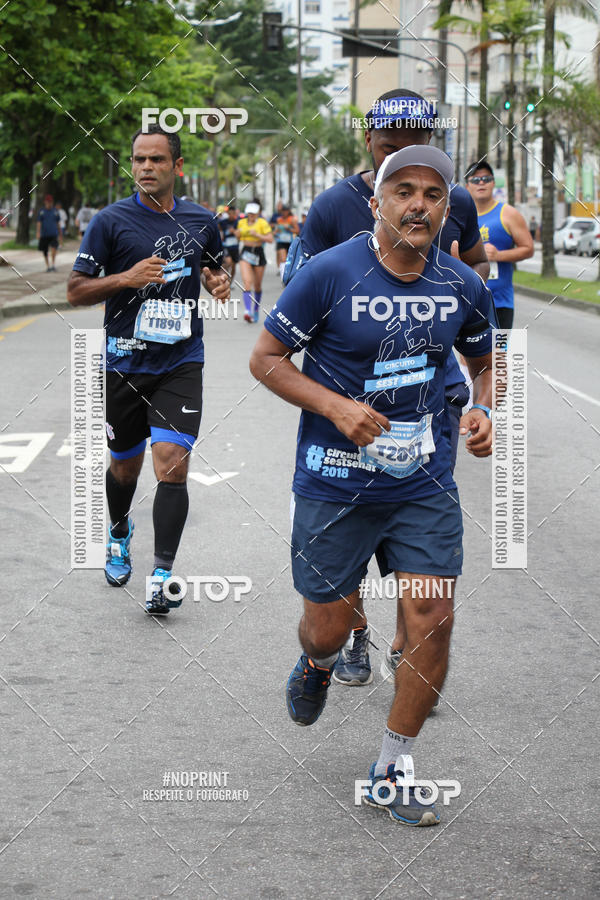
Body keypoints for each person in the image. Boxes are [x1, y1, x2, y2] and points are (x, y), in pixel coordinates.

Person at [250, 146, 494, 826]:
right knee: (327, 627)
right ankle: (319, 664)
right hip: (335, 483)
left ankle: (393, 765)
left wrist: (483, 408)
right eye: (404, 191)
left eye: (433, 195)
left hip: (424, 483)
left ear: (448, 209)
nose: (418, 205)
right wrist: (335, 406)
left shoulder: (461, 286)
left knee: (432, 619)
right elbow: (266, 360)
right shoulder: (330, 275)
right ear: (377, 201)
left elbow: (484, 361)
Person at [299, 89, 491, 689]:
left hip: (427, 415)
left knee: (428, 597)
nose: (417, 201)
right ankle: (349, 635)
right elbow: (301, 301)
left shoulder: (452, 199)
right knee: (343, 567)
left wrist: (455, 280)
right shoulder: (334, 206)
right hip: (348, 412)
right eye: (388, 149)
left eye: (417, 145)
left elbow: (477, 268)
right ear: (370, 147)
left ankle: (412, 660)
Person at [67, 124, 230, 615]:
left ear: (176, 166)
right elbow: (75, 290)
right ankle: (119, 532)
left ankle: (161, 573)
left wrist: (219, 282)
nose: (145, 168)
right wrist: (125, 278)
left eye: (156, 160)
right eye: (139, 160)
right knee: (125, 463)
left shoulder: (202, 221)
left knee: (171, 462)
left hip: (181, 360)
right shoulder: (109, 222)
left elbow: (215, 270)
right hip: (124, 360)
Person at [466, 160, 534, 330]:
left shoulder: (508, 213)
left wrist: (499, 256)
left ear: (493, 183)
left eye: (486, 179)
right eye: (475, 179)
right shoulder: (461, 216)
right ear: (467, 185)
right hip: (469, 300)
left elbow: (528, 248)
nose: (481, 182)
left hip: (500, 301)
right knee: (468, 355)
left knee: (499, 355)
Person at [236, 201, 273, 323]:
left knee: (257, 286)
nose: (251, 215)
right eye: (249, 213)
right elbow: (238, 237)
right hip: (246, 252)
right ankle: (247, 311)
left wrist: (257, 235)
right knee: (247, 282)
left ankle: (256, 309)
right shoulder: (241, 222)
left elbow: (270, 239)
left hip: (258, 252)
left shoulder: (262, 223)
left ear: (258, 213)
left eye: (253, 213)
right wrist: (237, 235)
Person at [36, 194, 62, 271]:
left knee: (54, 248)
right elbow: (39, 222)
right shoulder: (42, 211)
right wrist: (38, 232)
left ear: (52, 202)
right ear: (45, 202)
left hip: (53, 233)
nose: (49, 203)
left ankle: (53, 264)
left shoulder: (55, 211)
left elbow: (58, 223)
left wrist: (60, 233)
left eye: (50, 202)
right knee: (45, 250)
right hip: (44, 234)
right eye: (47, 202)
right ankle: (48, 266)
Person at [274, 204, 300, 280]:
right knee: (283, 259)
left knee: (290, 259)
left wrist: (289, 229)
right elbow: (277, 230)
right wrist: (275, 233)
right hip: (281, 241)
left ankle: (290, 275)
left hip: (289, 242)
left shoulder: (292, 220)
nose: (284, 213)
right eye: (282, 211)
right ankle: (283, 277)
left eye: (285, 211)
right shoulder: (279, 220)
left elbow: (297, 230)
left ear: (288, 211)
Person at [219, 205, 241, 281]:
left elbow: (239, 237)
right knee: (229, 262)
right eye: (230, 213)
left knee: (233, 267)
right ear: (227, 213)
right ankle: (225, 279)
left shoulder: (238, 222)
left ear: (235, 213)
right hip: (226, 246)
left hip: (235, 247)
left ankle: (230, 282)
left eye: (233, 213)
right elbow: (219, 228)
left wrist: (234, 232)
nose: (231, 215)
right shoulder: (223, 222)